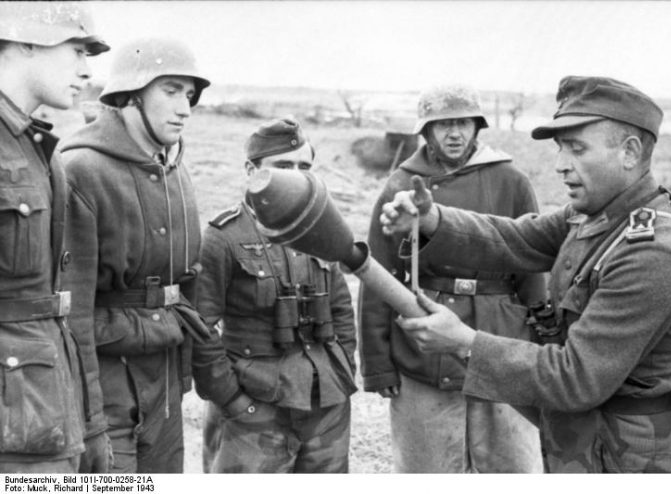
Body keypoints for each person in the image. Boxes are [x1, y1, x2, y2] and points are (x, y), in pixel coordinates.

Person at [380, 76, 671, 473]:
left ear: (630, 152)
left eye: (577, 149)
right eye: (560, 149)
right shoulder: (598, 216)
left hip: (635, 457)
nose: (560, 165)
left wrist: (464, 341)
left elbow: (575, 376)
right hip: (591, 442)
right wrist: (432, 218)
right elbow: (516, 238)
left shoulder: (654, 251)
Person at [359, 84, 544, 472]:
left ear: (478, 128)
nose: (454, 134)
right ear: (425, 132)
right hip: (425, 345)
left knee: (511, 467)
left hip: (499, 336)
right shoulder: (400, 185)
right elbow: (378, 275)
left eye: (462, 123)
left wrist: (539, 346)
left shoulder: (512, 182)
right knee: (427, 468)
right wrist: (378, 363)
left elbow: (532, 267)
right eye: (442, 125)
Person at [59, 37, 210, 473]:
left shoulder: (175, 170)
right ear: (130, 94)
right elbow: (73, 313)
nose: (185, 107)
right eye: (171, 90)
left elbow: (188, 285)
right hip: (106, 386)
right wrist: (87, 421)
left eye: (190, 94)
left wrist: (185, 377)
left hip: (164, 382)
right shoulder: (82, 170)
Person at [194, 117, 357, 473]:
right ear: (252, 170)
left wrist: (343, 370)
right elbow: (201, 330)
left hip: (325, 402)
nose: (296, 176)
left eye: (304, 167)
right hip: (255, 406)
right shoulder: (223, 237)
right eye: (283, 166)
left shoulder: (323, 229)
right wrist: (232, 401)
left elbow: (342, 309)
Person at [0, 2, 109, 473]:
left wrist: (89, 424)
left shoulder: (36, 149)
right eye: (78, 52)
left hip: (44, 407)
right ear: (25, 42)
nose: (86, 72)